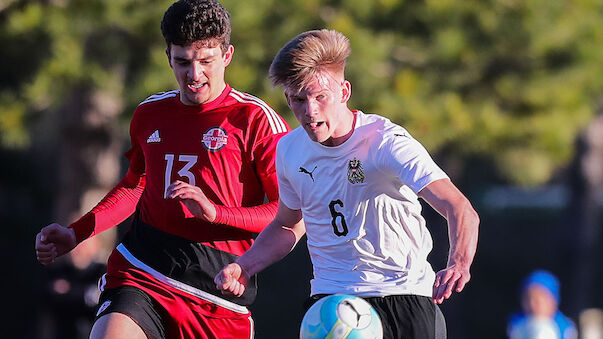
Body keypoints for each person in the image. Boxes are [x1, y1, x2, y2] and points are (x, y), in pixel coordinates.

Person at [34, 0, 289, 338]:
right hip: (143, 268)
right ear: (168, 57)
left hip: (218, 287)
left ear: (227, 56)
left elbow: (287, 213)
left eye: (206, 61)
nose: (194, 74)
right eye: (182, 62)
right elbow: (135, 185)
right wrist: (76, 233)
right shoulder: (149, 113)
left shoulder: (256, 120)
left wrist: (217, 214)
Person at [215, 29, 480, 339]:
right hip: (331, 303)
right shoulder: (289, 150)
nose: (310, 111)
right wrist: (245, 266)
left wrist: (458, 263)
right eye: (299, 100)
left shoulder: (384, 142)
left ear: (344, 91)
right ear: (288, 98)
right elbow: (288, 226)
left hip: (403, 297)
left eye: (320, 97)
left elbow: (458, 206)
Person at [507, 270, 578, 339]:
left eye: (538, 301)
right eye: (527, 299)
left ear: (553, 301)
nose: (532, 305)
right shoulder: (516, 326)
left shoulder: (566, 330)